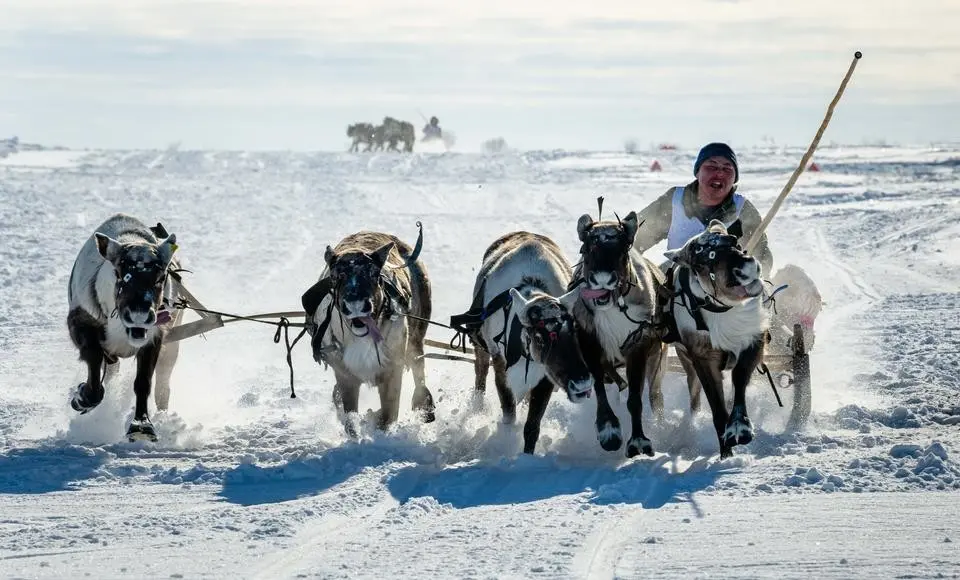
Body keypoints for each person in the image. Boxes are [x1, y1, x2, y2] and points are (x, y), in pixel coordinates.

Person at [633, 142, 773, 275]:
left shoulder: (742, 211)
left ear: (734, 178)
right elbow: (635, 238)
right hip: (674, 288)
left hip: (724, 292)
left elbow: (762, 256)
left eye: (727, 168)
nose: (719, 173)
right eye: (711, 167)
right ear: (698, 172)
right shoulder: (674, 202)